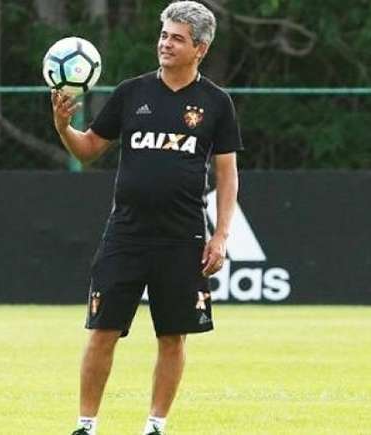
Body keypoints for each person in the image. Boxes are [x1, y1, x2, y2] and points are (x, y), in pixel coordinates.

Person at [52, 2, 242, 434]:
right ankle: (86, 425)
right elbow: (87, 151)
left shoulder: (216, 103)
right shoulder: (131, 92)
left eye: (176, 37)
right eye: (163, 35)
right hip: (126, 234)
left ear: (201, 47)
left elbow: (228, 176)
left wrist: (221, 236)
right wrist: (64, 127)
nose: (165, 43)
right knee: (102, 330)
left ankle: (155, 426)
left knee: (172, 336)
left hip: (183, 237)